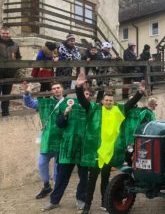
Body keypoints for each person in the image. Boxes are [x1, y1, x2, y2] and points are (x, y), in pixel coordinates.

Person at [75, 72, 145, 213]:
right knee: (91, 181)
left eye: (110, 101)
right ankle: (87, 206)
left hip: (109, 152)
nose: (108, 102)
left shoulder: (118, 110)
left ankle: (104, 203)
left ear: (113, 101)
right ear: (102, 101)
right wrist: (78, 88)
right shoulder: (94, 110)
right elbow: (83, 101)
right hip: (96, 151)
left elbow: (130, 104)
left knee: (105, 180)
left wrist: (140, 93)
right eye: (106, 100)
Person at [41, 88, 95, 211]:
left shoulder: (92, 109)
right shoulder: (70, 106)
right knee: (62, 176)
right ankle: (54, 201)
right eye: (85, 93)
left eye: (89, 95)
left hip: (84, 149)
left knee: (84, 177)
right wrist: (65, 113)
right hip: (67, 148)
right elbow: (59, 124)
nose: (86, 96)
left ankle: (81, 199)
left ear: (91, 97)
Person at [22, 81, 64, 199]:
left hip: (62, 139)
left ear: (62, 89)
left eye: (58, 88)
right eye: (54, 88)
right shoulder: (46, 102)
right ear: (51, 91)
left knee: (58, 167)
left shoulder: (68, 102)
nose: (56, 90)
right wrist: (26, 93)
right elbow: (30, 103)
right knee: (41, 163)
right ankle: (46, 186)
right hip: (47, 138)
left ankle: (56, 190)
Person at [0, 26, 21, 116]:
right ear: (0, 33)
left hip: (9, 73)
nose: (5, 35)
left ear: (9, 34)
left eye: (7, 33)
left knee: (7, 94)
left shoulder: (15, 45)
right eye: (3, 33)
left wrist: (16, 68)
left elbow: (19, 57)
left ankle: (5, 112)